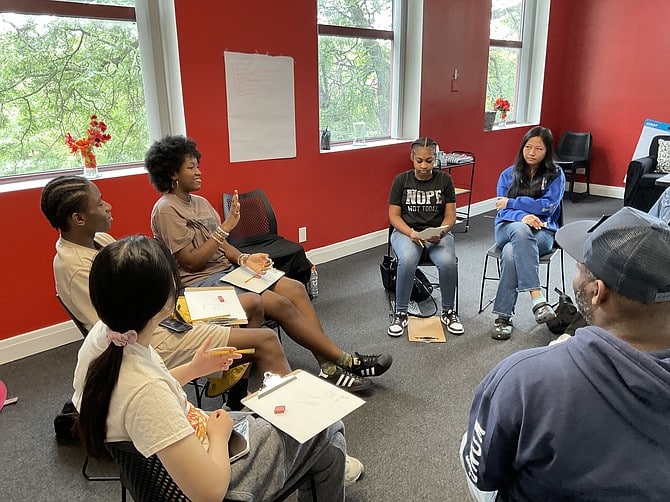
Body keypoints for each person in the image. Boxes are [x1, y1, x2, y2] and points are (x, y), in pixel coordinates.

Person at [74, 235, 363, 501]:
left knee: (320, 443)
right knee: (327, 429)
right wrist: (219, 433)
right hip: (214, 465)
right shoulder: (147, 392)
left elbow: (142, 393)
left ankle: (321, 466)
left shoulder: (106, 337)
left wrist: (193, 368)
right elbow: (210, 492)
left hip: (185, 445)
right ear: (164, 304)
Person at [144, 135, 392, 393]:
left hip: (228, 273)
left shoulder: (201, 203)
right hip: (199, 288)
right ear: (173, 172)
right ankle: (342, 360)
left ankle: (327, 366)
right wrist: (225, 228)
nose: (199, 172)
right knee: (279, 303)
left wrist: (244, 258)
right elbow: (191, 262)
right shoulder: (166, 209)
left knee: (295, 288)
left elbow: (222, 246)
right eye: (191, 167)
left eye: (198, 165)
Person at [461, 206, 670, 501]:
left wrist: (556, 362)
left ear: (597, 292)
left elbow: (485, 474)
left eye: (579, 269)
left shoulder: (524, 378)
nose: (575, 278)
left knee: (470, 443)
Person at [40, 175, 290, 407]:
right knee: (266, 340)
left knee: (253, 303)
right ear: (79, 218)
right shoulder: (76, 269)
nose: (108, 206)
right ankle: (295, 426)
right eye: (99, 203)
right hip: (153, 336)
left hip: (163, 313)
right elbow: (113, 329)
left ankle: (235, 398)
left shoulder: (100, 240)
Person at [490, 126, 565, 340]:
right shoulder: (508, 174)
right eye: (528, 147)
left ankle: (503, 317)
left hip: (542, 230)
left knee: (511, 253)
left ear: (547, 151)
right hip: (507, 227)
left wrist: (514, 203)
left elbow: (547, 207)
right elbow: (501, 208)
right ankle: (537, 297)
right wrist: (522, 217)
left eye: (538, 148)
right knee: (520, 230)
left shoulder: (555, 175)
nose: (531, 152)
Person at [387, 137, 463, 337]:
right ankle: (401, 313)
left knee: (447, 262)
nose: (424, 165)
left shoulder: (444, 180)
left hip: (437, 233)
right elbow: (394, 215)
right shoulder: (401, 180)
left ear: (435, 159)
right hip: (407, 232)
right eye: (419, 160)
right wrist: (410, 232)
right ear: (412, 158)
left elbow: (450, 215)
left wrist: (441, 232)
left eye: (429, 161)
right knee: (408, 259)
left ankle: (448, 311)